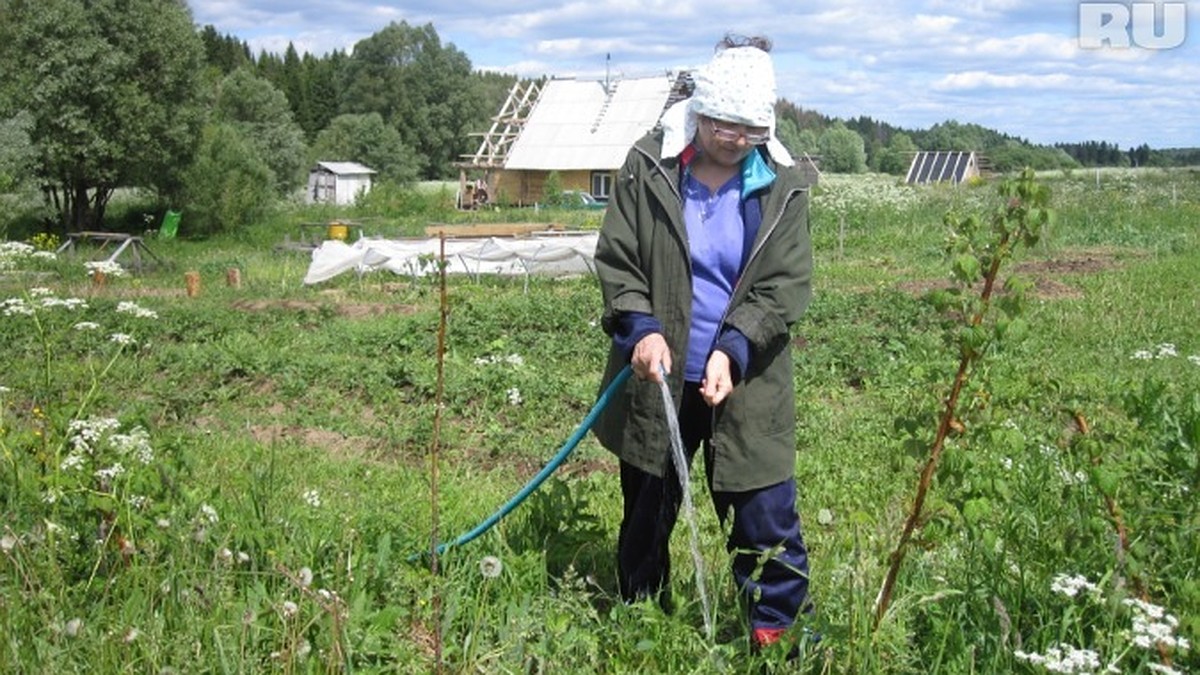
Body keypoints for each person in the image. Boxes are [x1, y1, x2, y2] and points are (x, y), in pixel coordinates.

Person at [592, 35, 814, 652]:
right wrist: (640, 329)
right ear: (699, 109)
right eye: (721, 123)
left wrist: (735, 347)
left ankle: (782, 644)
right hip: (656, 376)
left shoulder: (783, 184)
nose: (733, 138)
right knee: (646, 509)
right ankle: (639, 626)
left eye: (748, 127)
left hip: (745, 379)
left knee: (764, 510)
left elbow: (783, 287)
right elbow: (619, 261)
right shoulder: (650, 164)